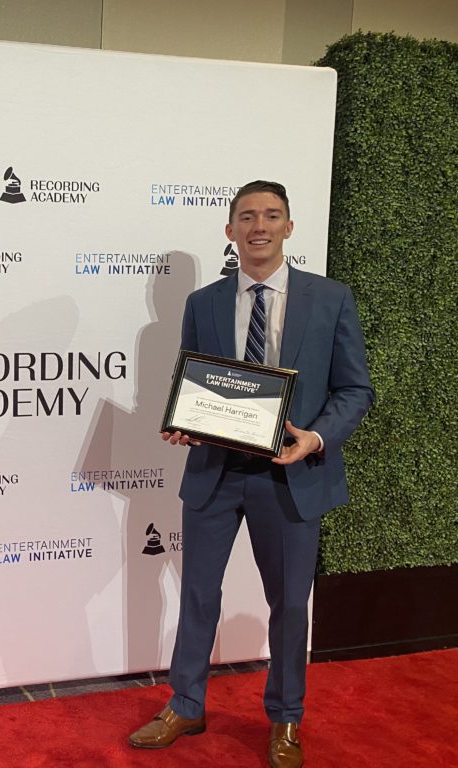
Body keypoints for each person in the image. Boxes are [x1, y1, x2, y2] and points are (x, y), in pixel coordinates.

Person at [128, 180, 373, 768]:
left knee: (290, 605)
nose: (258, 225)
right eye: (246, 216)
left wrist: (313, 437)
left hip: (291, 476)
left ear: (289, 227)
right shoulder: (203, 303)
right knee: (197, 596)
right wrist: (184, 423)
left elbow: (355, 389)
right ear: (230, 230)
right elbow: (194, 384)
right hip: (215, 472)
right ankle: (186, 704)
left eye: (271, 215)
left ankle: (286, 719)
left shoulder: (330, 298)